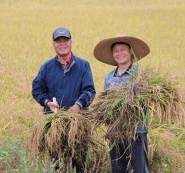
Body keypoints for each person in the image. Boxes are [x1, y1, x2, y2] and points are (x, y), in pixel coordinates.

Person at [32, 27, 96, 173]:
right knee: (56, 165)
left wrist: (78, 106)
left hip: (77, 124)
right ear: (53, 44)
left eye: (65, 40)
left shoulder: (83, 65)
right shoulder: (46, 67)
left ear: (71, 42)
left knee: (79, 164)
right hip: (54, 124)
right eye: (58, 41)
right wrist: (47, 102)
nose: (62, 44)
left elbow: (90, 91)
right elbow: (37, 90)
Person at [93, 34, 150, 173]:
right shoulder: (109, 78)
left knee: (140, 169)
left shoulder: (140, 75)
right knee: (118, 169)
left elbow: (146, 99)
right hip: (115, 132)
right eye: (116, 51)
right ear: (113, 55)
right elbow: (105, 103)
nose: (120, 53)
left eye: (123, 49)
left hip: (136, 131)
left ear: (130, 51)